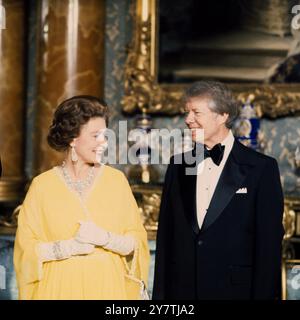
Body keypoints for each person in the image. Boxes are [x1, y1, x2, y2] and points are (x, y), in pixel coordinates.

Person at [153, 81, 284, 300]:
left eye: (196, 112)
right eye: (187, 112)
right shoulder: (178, 166)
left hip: (235, 293)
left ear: (222, 115)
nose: (188, 120)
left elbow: (268, 249)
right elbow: (166, 240)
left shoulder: (261, 168)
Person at [14, 95, 150, 300]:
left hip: (108, 288)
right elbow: (25, 251)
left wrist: (105, 238)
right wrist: (67, 248)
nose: (103, 143)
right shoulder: (42, 186)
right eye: (96, 135)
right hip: (57, 290)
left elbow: (137, 243)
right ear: (72, 138)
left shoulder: (116, 181)